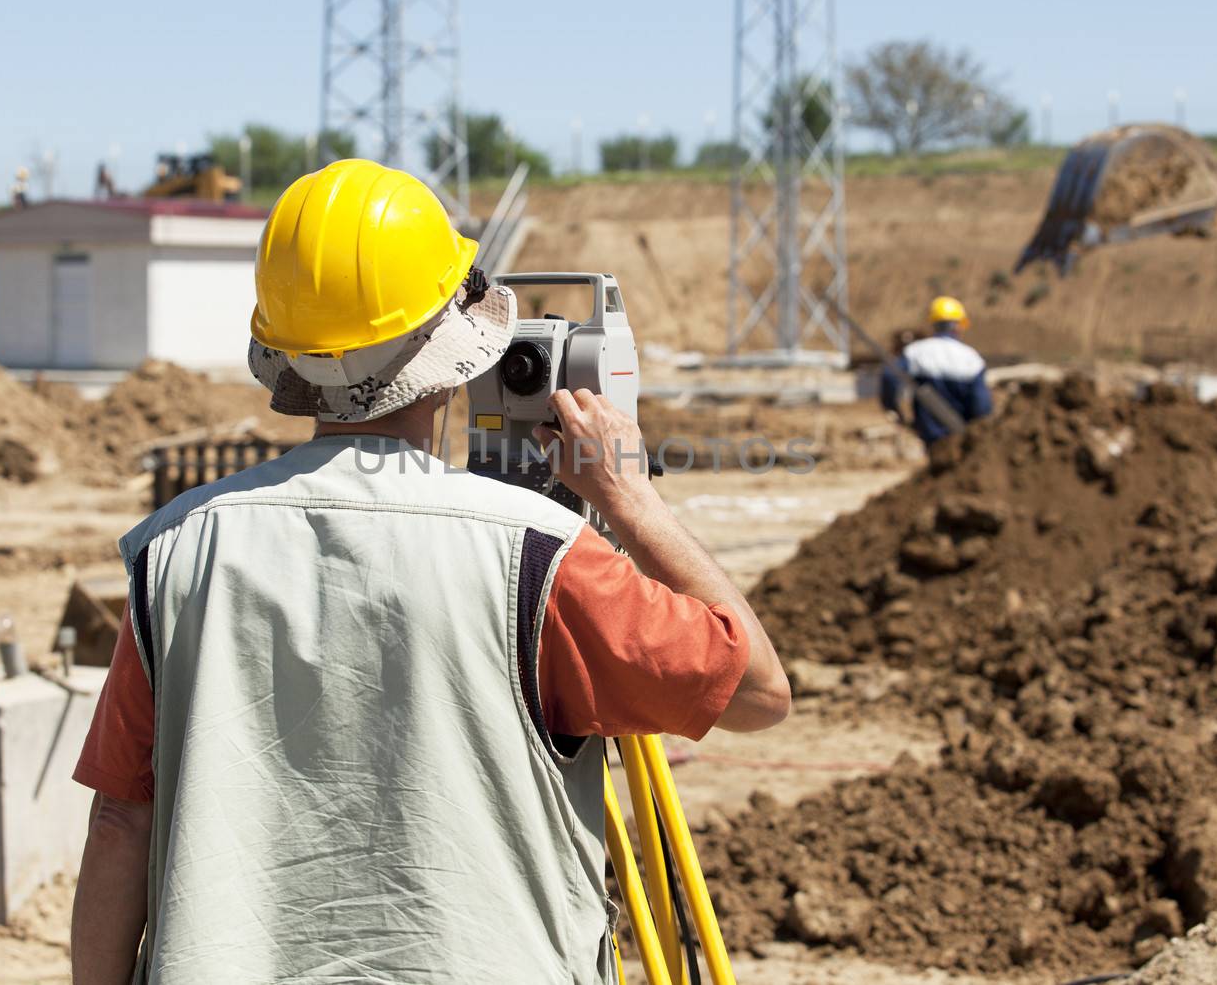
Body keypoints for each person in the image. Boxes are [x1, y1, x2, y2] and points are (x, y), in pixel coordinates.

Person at [68, 159, 790, 984]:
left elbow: (120, 822)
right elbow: (759, 692)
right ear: (455, 350)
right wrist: (630, 499)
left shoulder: (176, 548)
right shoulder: (542, 557)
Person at [879, 295, 993, 446]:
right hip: (962, 439)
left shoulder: (917, 352)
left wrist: (894, 409)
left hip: (930, 436)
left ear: (932, 324)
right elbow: (981, 405)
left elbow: (889, 376)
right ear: (959, 326)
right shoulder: (971, 359)